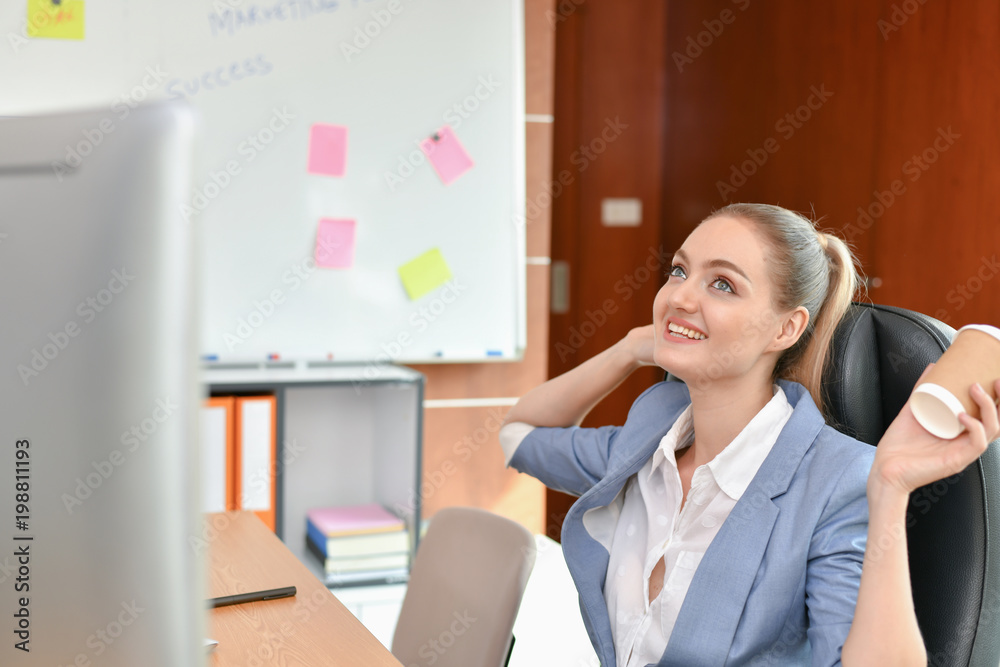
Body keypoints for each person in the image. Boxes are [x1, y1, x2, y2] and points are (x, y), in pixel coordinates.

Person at [499, 203, 1000, 666]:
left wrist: (889, 489)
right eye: (678, 270)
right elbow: (518, 433)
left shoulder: (839, 481)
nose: (679, 296)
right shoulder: (650, 438)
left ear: (786, 330)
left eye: (722, 284)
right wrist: (628, 350)